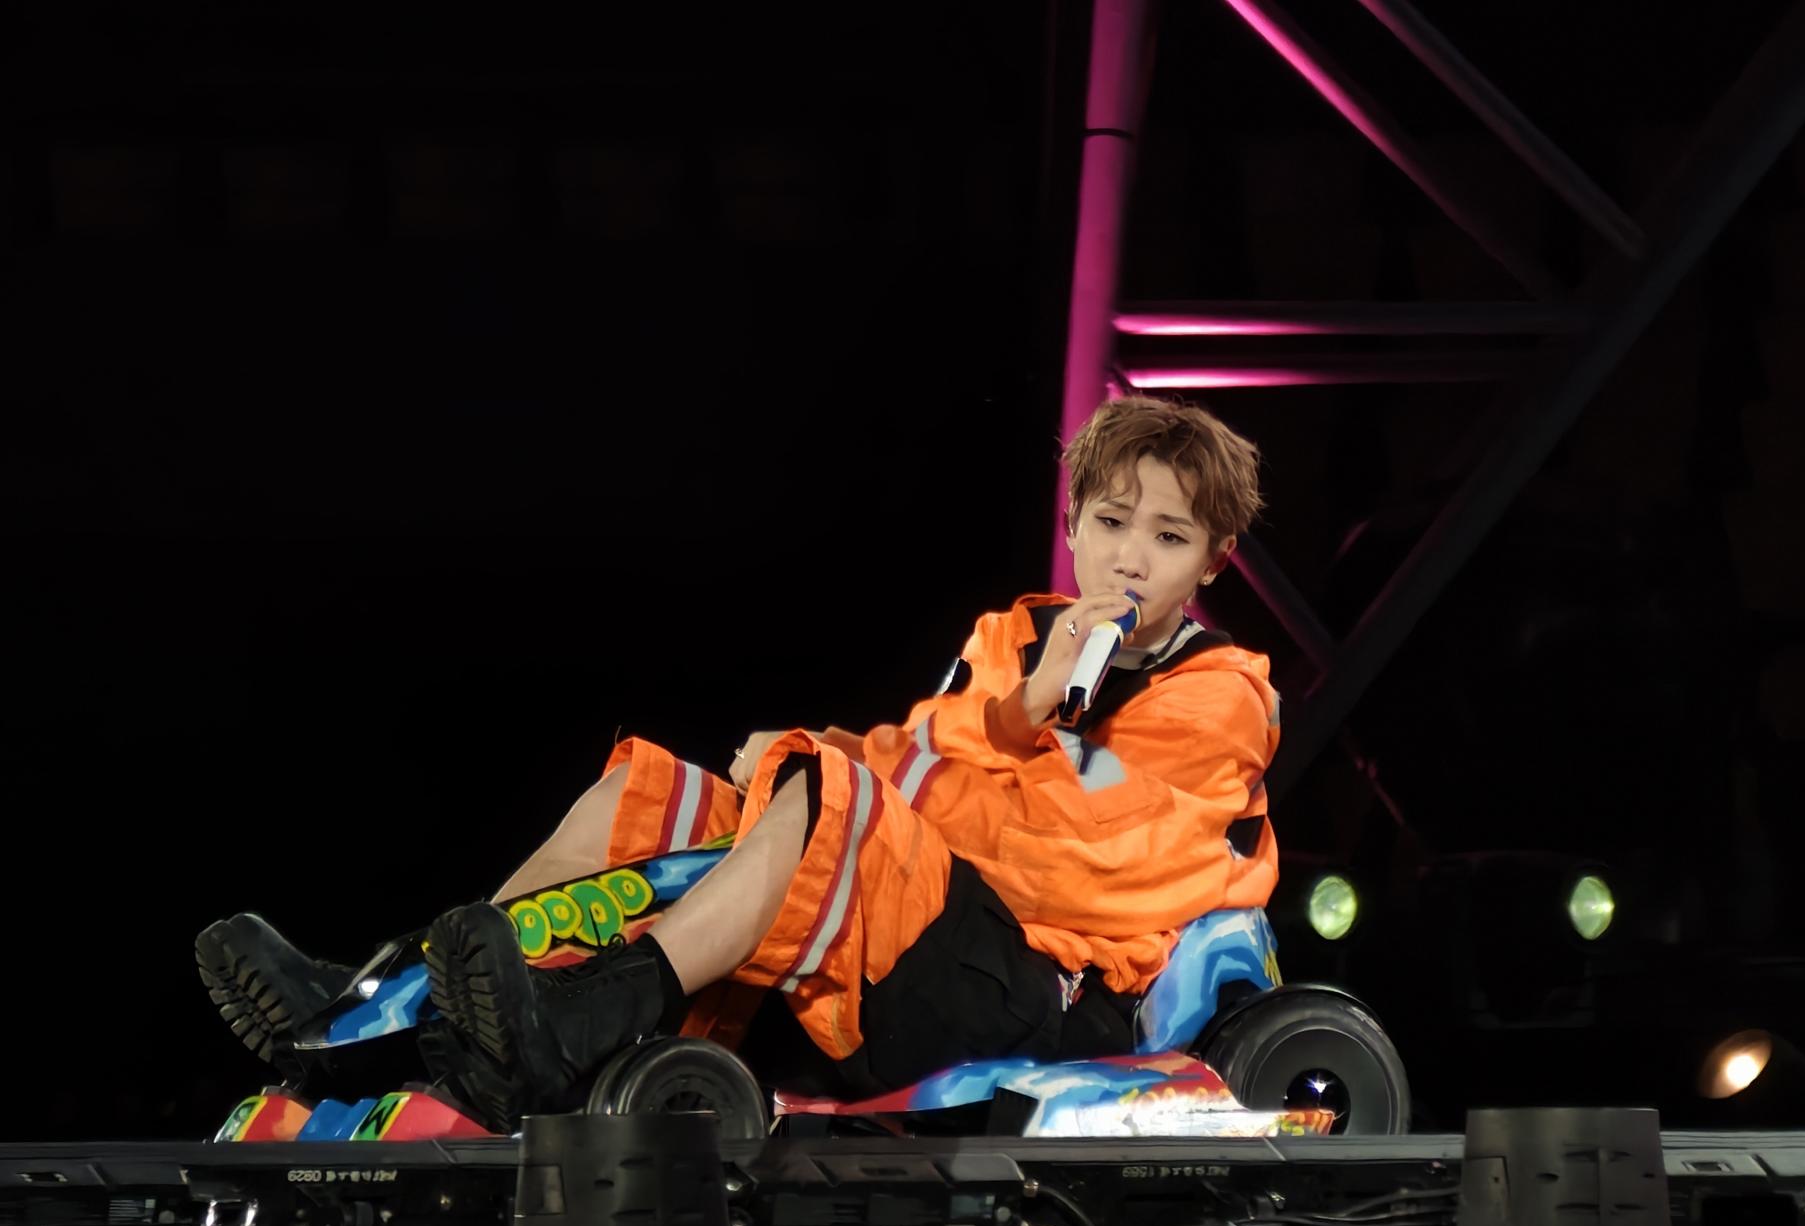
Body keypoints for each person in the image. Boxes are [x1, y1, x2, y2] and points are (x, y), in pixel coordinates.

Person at [197, 394, 1283, 1131]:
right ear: (1073, 521)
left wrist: (966, 738)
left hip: (1034, 993)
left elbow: (1073, 862)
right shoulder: (1014, 636)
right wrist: (889, 748)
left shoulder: (1219, 695)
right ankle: (387, 1010)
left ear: (1212, 562)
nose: (1130, 558)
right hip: (925, 927)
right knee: (653, 796)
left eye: (1169, 537)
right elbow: (920, 758)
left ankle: (583, 1015)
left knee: (829, 794)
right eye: (1112, 521)